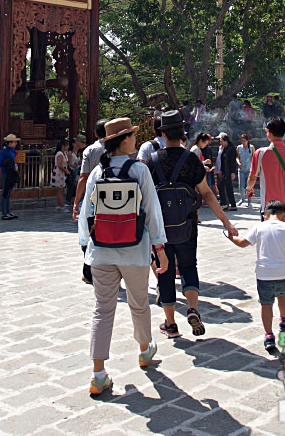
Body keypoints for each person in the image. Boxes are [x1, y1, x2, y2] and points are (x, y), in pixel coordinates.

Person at [77, 117, 168, 396]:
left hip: (101, 250)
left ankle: (98, 374)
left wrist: (85, 247)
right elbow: (152, 211)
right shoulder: (139, 170)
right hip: (134, 249)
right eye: (132, 136)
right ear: (125, 139)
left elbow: (85, 214)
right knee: (139, 304)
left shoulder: (97, 173)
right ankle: (144, 350)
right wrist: (160, 248)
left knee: (102, 310)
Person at [146, 110, 237, 339]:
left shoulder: (152, 161)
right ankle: (193, 308)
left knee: (164, 271)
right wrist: (226, 222)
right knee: (188, 266)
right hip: (187, 224)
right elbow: (206, 194)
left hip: (160, 230)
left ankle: (170, 324)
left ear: (161, 133)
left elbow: (144, 198)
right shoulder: (191, 160)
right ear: (182, 132)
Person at [226, 199, 285, 352]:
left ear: (265, 215)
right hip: (283, 272)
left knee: (266, 303)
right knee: (283, 295)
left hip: (264, 273)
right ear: (284, 215)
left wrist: (230, 236)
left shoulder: (259, 227)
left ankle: (268, 335)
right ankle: (284, 319)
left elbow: (242, 243)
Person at [247, 117, 285, 225]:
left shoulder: (260, 153)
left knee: (268, 239)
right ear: (284, 132)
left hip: (268, 206)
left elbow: (252, 177)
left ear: (268, 133)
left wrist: (249, 189)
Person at [73, 120, 109, 285]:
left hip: (92, 196)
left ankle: (89, 271)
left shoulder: (90, 150)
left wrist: (76, 201)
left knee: (88, 232)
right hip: (112, 197)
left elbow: (83, 177)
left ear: (95, 133)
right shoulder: (118, 148)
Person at [0, 133, 20, 220]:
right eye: (14, 142)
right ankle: (4, 212)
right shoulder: (5, 151)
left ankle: (8, 211)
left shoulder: (12, 151)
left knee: (9, 192)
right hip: (6, 172)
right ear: (9, 143)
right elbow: (1, 163)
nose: (16, 144)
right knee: (5, 192)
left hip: (12, 172)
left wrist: (16, 165)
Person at [214, 132, 239, 210]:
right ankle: (232, 205)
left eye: (221, 141)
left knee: (221, 186)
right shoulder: (224, 149)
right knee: (228, 188)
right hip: (224, 171)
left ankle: (224, 203)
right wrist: (221, 170)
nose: (220, 143)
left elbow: (232, 162)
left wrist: (232, 172)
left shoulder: (230, 149)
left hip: (228, 172)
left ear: (226, 141)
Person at [237, 133, 256, 208]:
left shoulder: (251, 147)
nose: (243, 143)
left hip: (249, 169)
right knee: (241, 186)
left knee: (249, 186)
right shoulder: (239, 147)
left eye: (244, 141)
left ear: (247, 141)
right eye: (242, 141)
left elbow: (254, 158)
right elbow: (237, 157)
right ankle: (242, 198)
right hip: (241, 169)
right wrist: (238, 162)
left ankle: (249, 201)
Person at [53, 138, 71, 211]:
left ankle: (58, 205)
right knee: (60, 190)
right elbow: (59, 164)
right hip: (59, 173)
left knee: (61, 189)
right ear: (63, 146)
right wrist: (66, 170)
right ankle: (62, 205)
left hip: (62, 173)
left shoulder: (64, 153)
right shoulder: (60, 154)